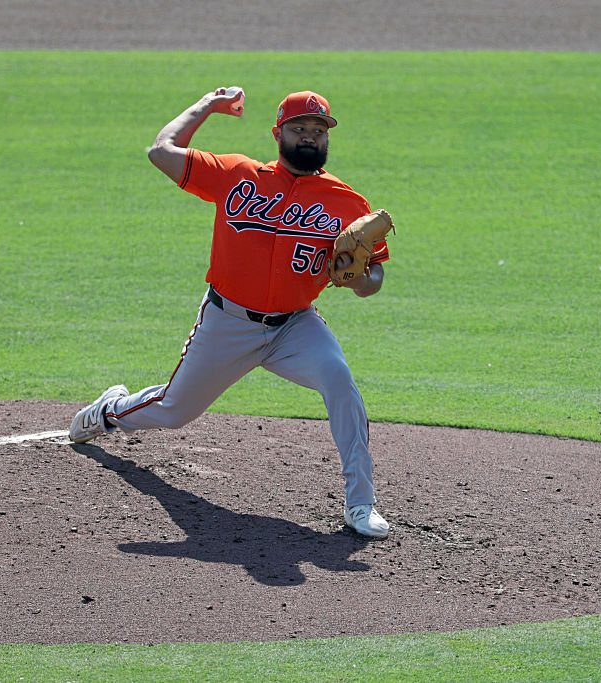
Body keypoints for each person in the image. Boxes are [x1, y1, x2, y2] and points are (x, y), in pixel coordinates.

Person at [68, 88, 391, 538]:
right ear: (278, 133)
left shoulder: (348, 204)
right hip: (228, 322)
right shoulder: (239, 175)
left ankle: (360, 503)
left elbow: (373, 277)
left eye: (318, 130)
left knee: (340, 380)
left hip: (295, 326)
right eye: (299, 128)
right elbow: (161, 151)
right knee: (173, 410)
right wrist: (207, 106)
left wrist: (359, 280)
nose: (309, 136)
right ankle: (109, 411)